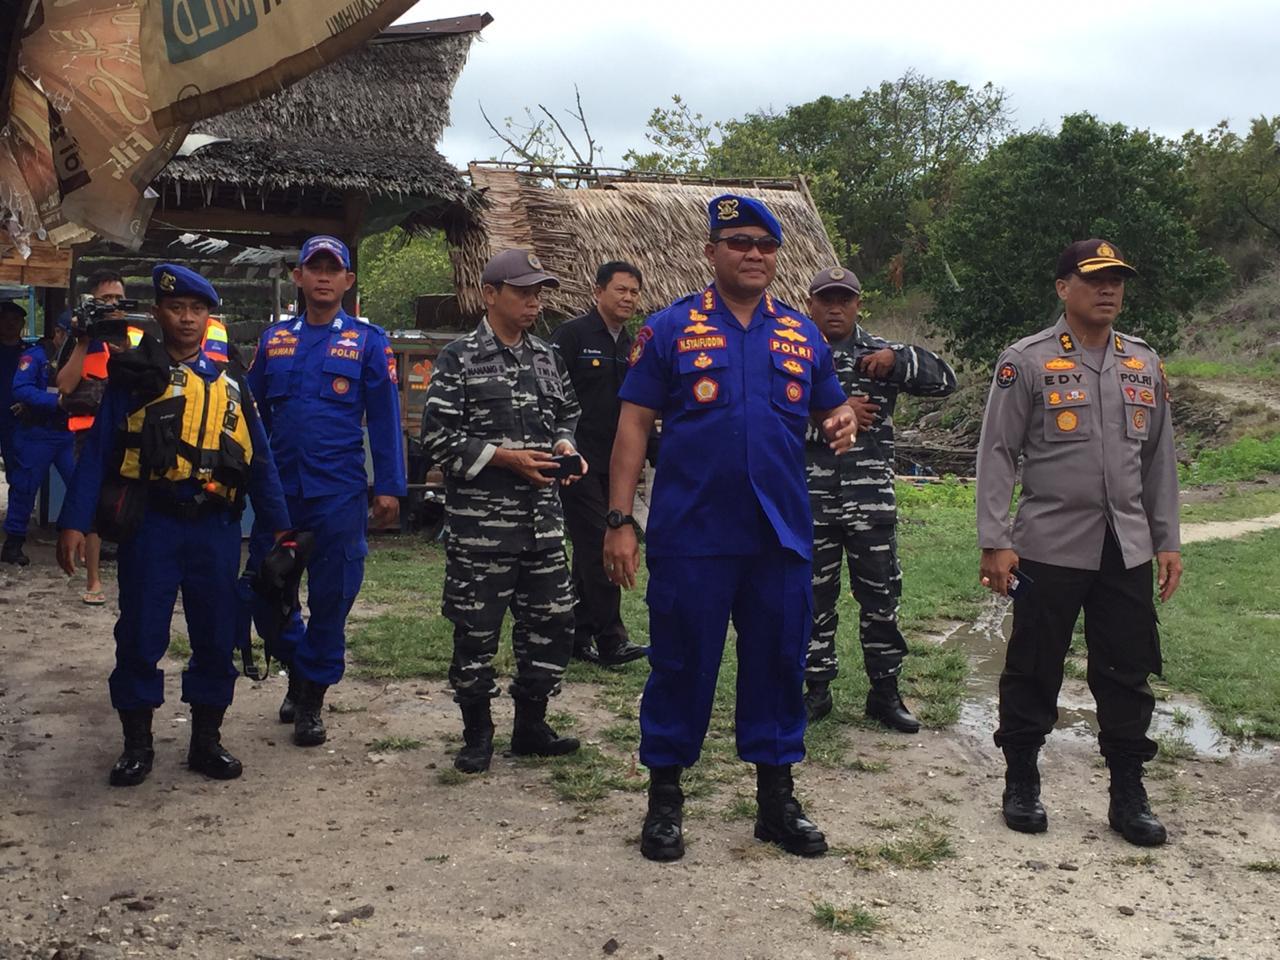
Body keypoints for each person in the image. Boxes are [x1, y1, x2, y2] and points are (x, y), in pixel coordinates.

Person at [604, 195, 857, 861]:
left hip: (780, 539)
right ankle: (664, 801)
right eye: (739, 242)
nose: (753, 254)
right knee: (680, 664)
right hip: (692, 535)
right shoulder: (669, 329)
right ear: (711, 252)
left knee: (778, 665)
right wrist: (620, 519)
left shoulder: (802, 336)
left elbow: (834, 412)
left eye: (764, 246)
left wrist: (842, 422)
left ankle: (776, 802)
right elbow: (632, 425)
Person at [976, 239, 1181, 847]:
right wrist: (995, 539)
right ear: (1064, 288)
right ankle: (1021, 782)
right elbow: (997, 452)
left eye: (1117, 279)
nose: (1109, 290)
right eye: (1095, 279)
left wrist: (1166, 539)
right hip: (1048, 545)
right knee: (1034, 667)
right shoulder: (1028, 360)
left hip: (1127, 548)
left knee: (1126, 672)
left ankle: (1128, 794)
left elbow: (1159, 461)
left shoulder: (1143, 363)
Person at [56, 264, 290, 786]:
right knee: (139, 633)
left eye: (197, 310)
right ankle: (136, 745)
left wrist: (281, 531)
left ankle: (206, 741)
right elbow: (97, 452)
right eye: (177, 309)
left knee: (215, 634)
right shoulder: (134, 375)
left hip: (216, 529)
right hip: (153, 525)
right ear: (160, 313)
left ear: (209, 317)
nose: (187, 319)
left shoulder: (232, 376)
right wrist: (74, 521)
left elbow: (261, 461)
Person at [420, 249, 585, 774]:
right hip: (483, 532)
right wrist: (506, 459)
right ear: (491, 295)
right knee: (475, 632)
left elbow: (568, 413)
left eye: (539, 292)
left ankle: (531, 726)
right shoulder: (459, 358)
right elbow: (438, 439)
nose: (535, 301)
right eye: (524, 291)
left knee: (552, 626)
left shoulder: (546, 355)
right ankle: (477, 733)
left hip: (543, 527)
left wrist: (565, 446)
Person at [243, 235, 405, 747]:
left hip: (338, 493)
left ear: (348, 281)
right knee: (265, 593)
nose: (323, 277)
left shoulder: (367, 341)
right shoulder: (274, 341)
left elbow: (383, 419)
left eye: (333, 269)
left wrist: (390, 488)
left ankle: (310, 697)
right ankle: (298, 662)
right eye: (314, 267)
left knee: (333, 597)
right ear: (298, 277)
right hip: (279, 495)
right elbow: (251, 413)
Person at [802, 267, 957, 730]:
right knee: (812, 600)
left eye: (844, 299)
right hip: (811, 502)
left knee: (882, 599)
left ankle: (885, 693)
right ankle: (815, 691)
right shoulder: (791, 354)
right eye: (826, 299)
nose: (835, 308)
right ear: (810, 304)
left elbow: (945, 381)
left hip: (871, 503)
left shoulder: (880, 354)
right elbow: (768, 418)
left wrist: (900, 358)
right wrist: (831, 419)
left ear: (857, 304)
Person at [549, 261, 648, 667]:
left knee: (590, 550)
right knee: (598, 544)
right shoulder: (572, 336)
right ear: (598, 292)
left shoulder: (634, 344)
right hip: (578, 460)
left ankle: (577, 632)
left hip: (618, 462)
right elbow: (550, 393)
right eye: (620, 290)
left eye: (633, 292)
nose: (627, 298)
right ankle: (611, 640)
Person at [55, 269, 129, 604]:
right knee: (95, 509)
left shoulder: (137, 338)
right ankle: (94, 582)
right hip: (89, 435)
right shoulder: (81, 341)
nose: (113, 304)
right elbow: (65, 385)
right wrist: (84, 340)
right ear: (91, 302)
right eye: (105, 299)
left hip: (129, 435)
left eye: (117, 298)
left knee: (133, 504)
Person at [2, 311, 74, 566]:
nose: (71, 340)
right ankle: (13, 543)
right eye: (68, 335)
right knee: (24, 487)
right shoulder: (36, 356)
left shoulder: (80, 358)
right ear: (58, 333)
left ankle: (80, 537)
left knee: (81, 484)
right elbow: (20, 388)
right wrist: (57, 402)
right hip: (36, 433)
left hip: (68, 433)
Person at [0, 300, 29, 482]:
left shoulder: (31, 353)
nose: (10, 323)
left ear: (22, 324)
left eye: (15, 319)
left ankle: (15, 510)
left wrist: (28, 404)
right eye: (5, 319)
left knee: (16, 467)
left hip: (15, 417)